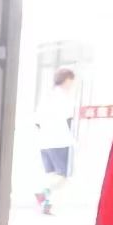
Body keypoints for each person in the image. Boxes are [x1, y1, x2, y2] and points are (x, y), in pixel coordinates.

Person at [34, 67, 77, 215]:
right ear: (67, 80)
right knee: (63, 176)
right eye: (71, 81)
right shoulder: (64, 97)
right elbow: (70, 119)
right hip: (60, 141)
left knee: (51, 174)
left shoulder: (47, 96)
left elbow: (37, 120)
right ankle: (43, 193)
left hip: (44, 142)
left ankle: (46, 204)